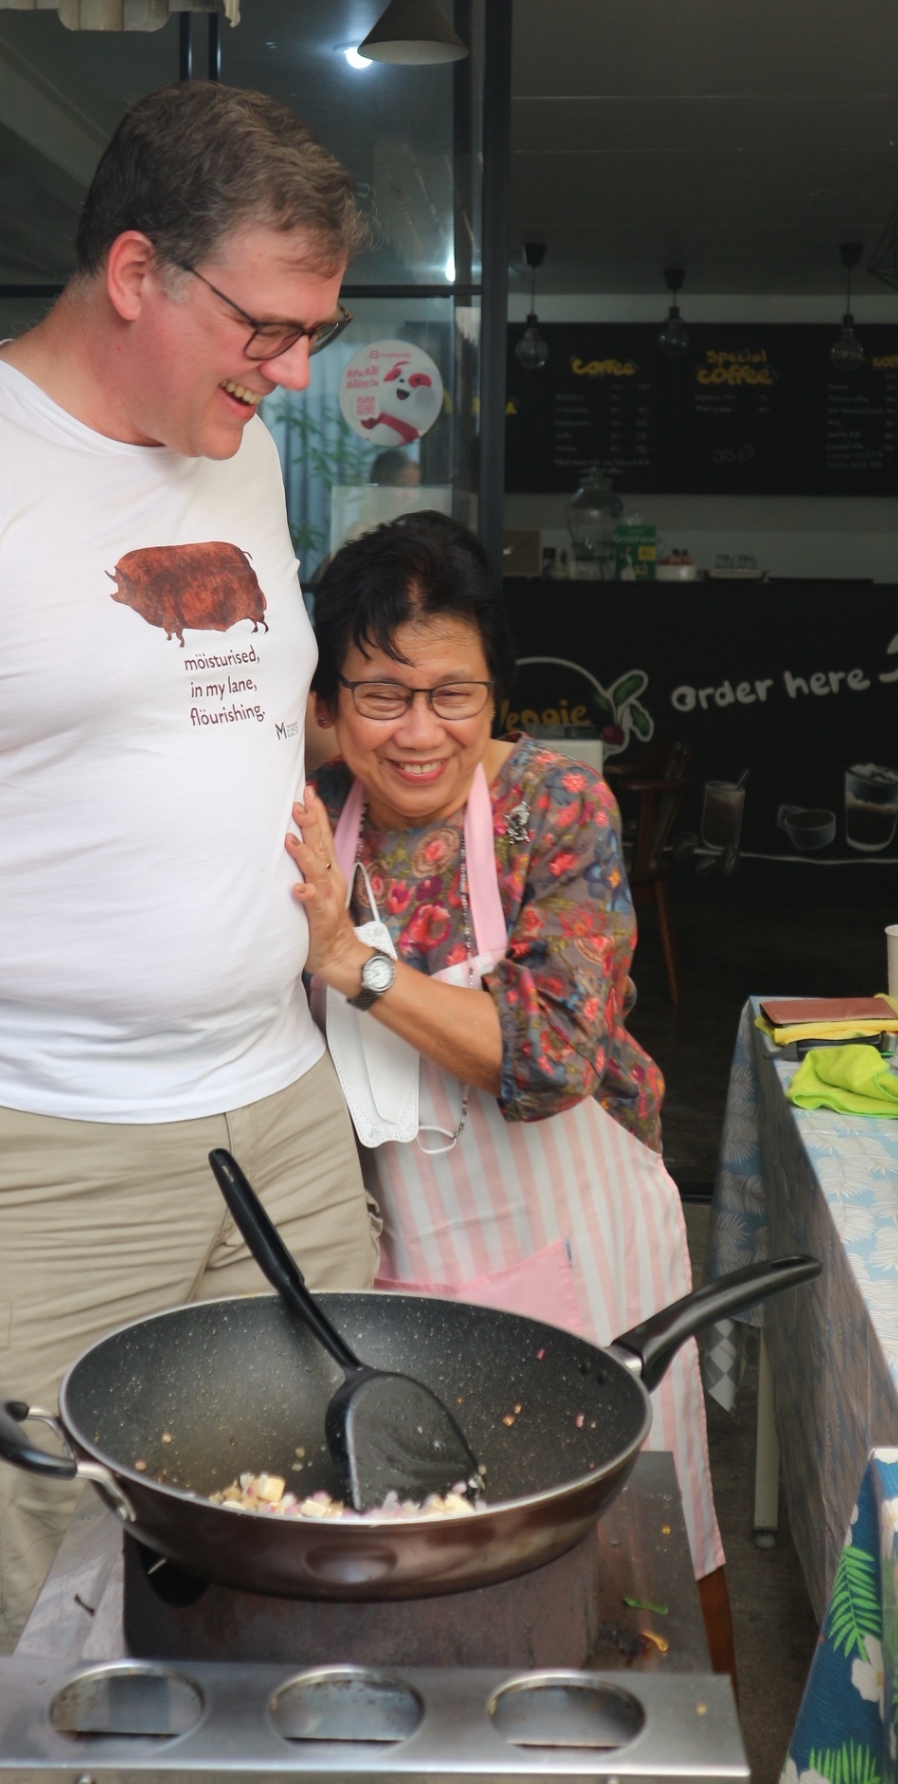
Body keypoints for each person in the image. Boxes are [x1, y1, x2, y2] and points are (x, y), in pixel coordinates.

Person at [0, 81, 380, 1784]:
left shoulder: (240, 451)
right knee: (15, 1605)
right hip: (12, 1141)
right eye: (269, 329)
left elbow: (206, 719)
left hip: (270, 1112)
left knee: (303, 1528)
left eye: (314, 332)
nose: (295, 373)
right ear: (137, 271)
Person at [288, 511, 734, 1677]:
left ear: (496, 692)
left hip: (581, 1236)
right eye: (382, 695)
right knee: (437, 1548)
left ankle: (684, 1732)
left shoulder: (556, 807)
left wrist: (357, 965)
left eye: (455, 693)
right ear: (327, 700)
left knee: (641, 1536)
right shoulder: (308, 814)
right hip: (394, 1249)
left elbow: (550, 1053)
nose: (420, 730)